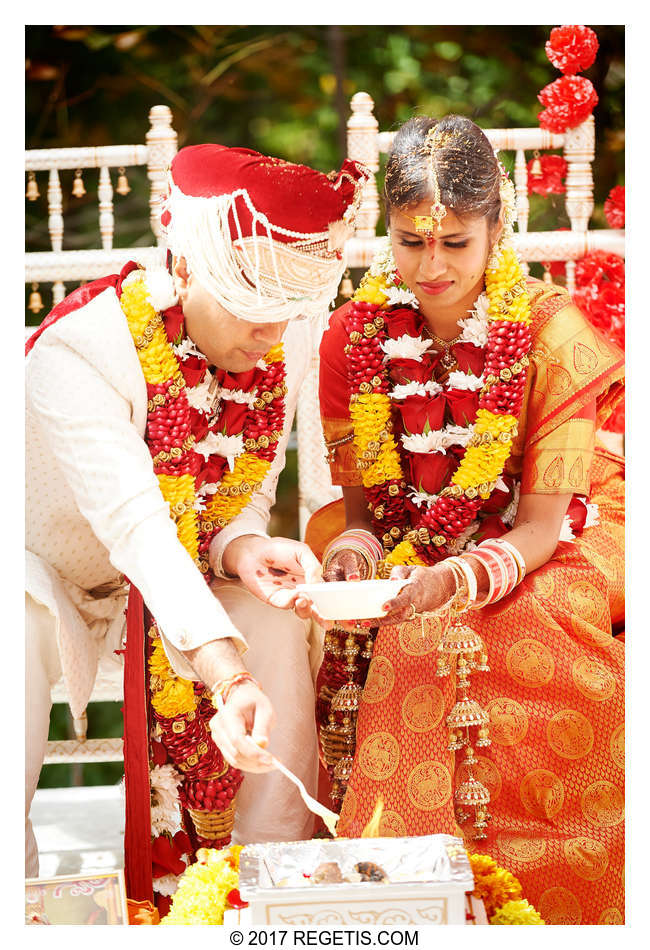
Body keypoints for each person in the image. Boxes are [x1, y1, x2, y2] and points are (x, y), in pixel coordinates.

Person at [25, 142, 368, 883]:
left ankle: (272, 880)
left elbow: (243, 490)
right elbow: (139, 528)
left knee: (275, 613)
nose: (273, 335)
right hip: (41, 574)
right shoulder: (79, 352)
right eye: (253, 312)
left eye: (288, 315)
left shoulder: (273, 341)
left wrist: (244, 549)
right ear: (183, 269)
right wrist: (224, 677)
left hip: (173, 580)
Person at [315, 115, 624, 925]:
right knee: (382, 617)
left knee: (514, 621)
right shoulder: (354, 337)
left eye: (456, 242)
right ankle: (406, 908)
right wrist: (354, 555)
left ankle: (559, 900)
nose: (432, 265)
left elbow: (543, 524)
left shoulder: (551, 334)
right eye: (412, 242)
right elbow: (363, 517)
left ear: (498, 228)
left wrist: (458, 574)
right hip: (421, 539)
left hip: (565, 527)